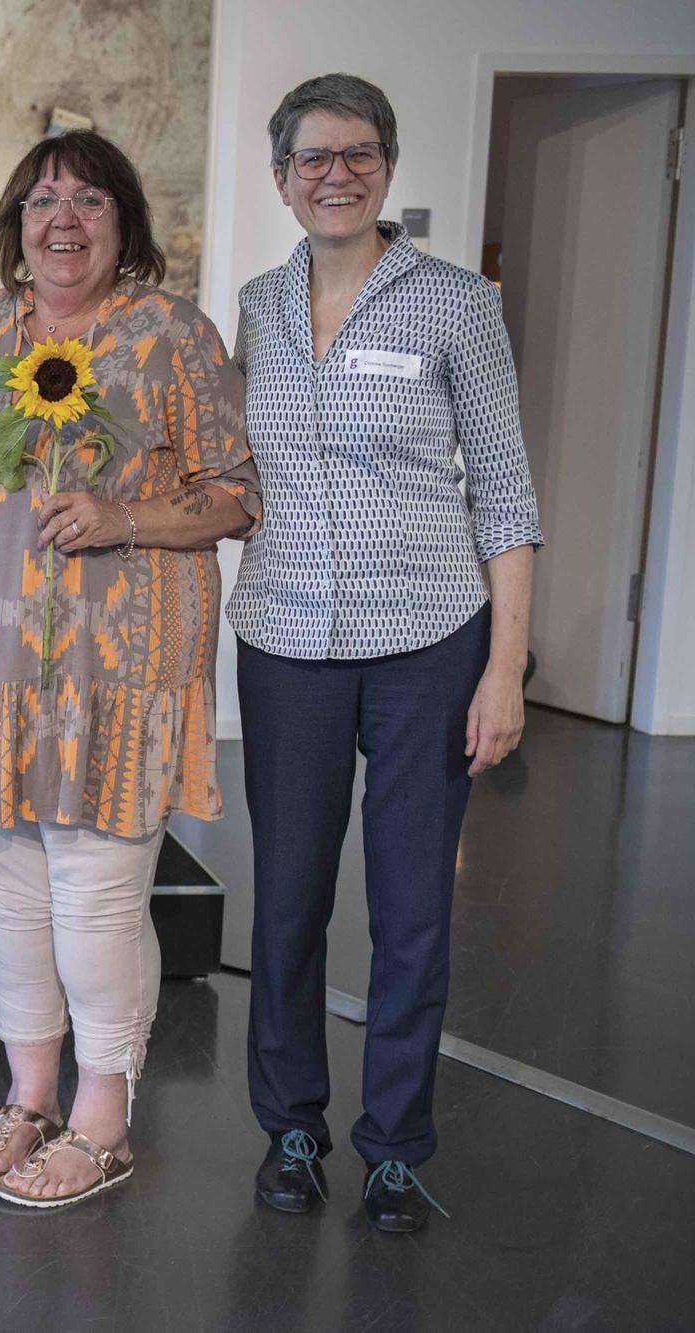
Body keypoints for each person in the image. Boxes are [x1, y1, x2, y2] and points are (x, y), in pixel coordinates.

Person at [0, 131, 260, 1210]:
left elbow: (235, 492)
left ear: (122, 222)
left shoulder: (170, 335)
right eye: (41, 200)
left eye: (88, 202)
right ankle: (30, 1092)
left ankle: (103, 1115)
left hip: (116, 674)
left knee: (94, 899)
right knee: (9, 893)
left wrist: (122, 515)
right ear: (13, 224)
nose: (61, 220)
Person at [231, 73, 540, 1233]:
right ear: (281, 179)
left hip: (426, 642)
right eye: (312, 158)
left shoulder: (457, 304)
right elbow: (233, 468)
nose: (335, 175)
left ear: (387, 169)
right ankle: (293, 1129)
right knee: (286, 904)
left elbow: (505, 494)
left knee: (410, 909)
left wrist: (502, 667)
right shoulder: (256, 306)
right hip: (283, 637)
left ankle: (396, 1145)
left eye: (357, 154)